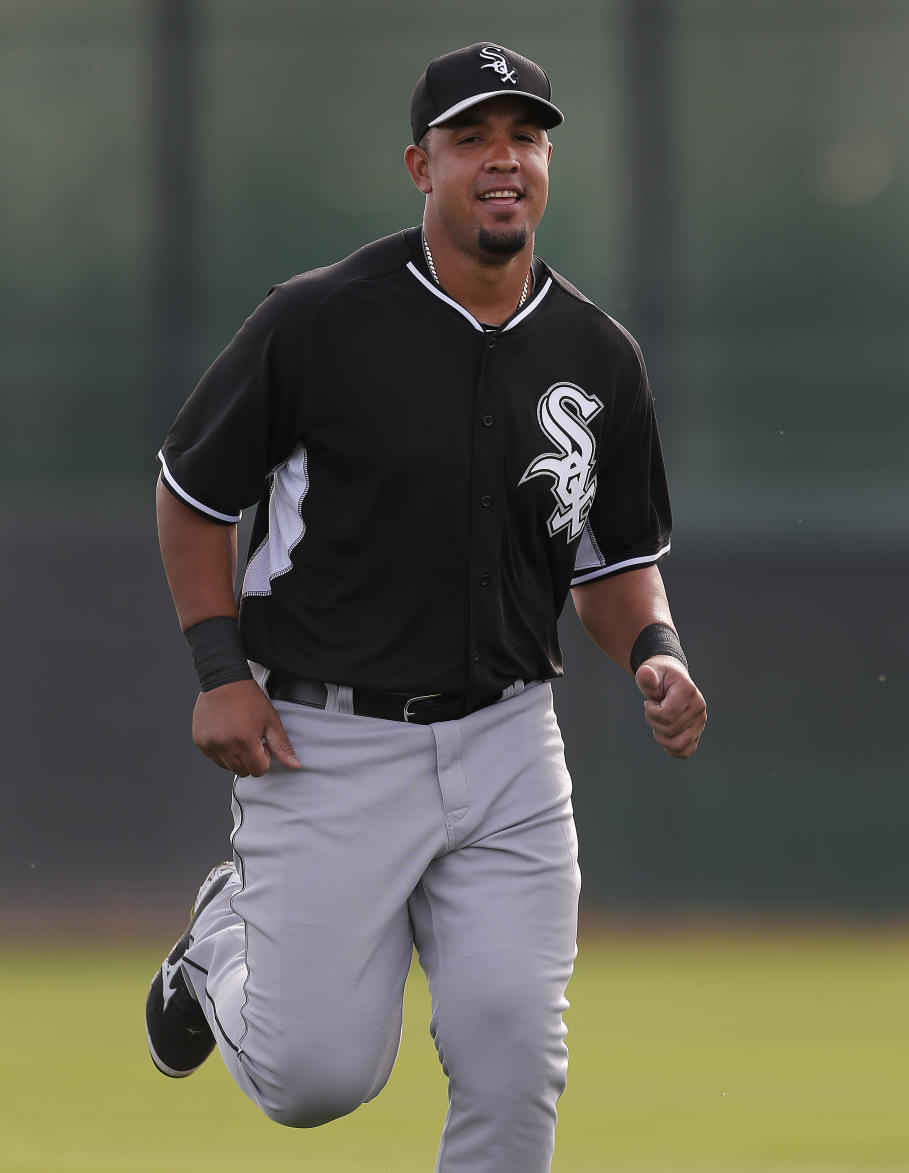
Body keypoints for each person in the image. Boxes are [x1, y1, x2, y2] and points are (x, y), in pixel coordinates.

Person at [145, 41, 706, 1172]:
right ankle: (217, 949)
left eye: (526, 136)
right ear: (421, 164)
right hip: (328, 743)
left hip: (506, 740)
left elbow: (611, 563)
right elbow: (191, 492)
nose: (505, 159)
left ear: (547, 163)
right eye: (472, 138)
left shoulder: (598, 356)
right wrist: (219, 670)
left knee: (512, 1056)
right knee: (318, 1079)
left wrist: (655, 648)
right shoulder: (317, 322)